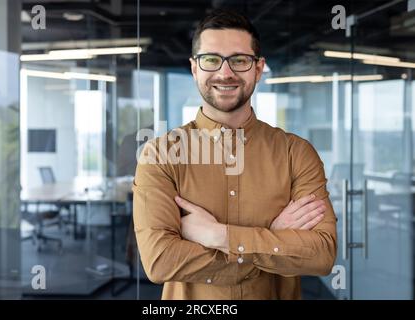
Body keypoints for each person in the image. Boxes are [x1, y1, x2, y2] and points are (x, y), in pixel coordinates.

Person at [132, 9, 337, 300]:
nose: (225, 72)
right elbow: (160, 261)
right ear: (194, 68)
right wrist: (270, 239)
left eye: (239, 60)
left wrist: (221, 237)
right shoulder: (161, 155)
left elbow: (321, 255)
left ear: (258, 68)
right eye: (211, 59)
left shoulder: (297, 153)